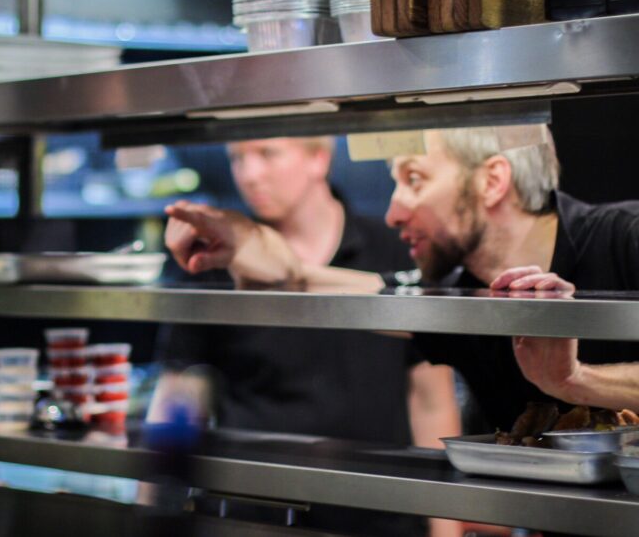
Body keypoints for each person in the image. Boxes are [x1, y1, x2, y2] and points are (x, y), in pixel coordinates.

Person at [163, 125, 639, 433]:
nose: (392, 212)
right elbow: (332, 286)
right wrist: (249, 246)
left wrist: (576, 381)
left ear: (492, 181)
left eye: (414, 180)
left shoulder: (627, 238)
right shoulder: (458, 291)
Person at [150, 136, 463, 537]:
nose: (249, 174)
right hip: (251, 516)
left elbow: (431, 401)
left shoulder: (395, 252)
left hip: (377, 515)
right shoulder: (212, 262)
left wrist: (446, 528)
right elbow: (177, 398)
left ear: (319, 158)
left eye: (267, 153)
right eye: (237, 158)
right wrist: (156, 516)